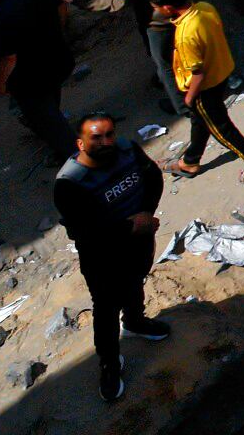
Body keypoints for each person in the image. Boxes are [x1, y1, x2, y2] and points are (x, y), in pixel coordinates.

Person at [54, 113, 170, 404]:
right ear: (80, 143)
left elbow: (153, 178)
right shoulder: (70, 183)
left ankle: (134, 321)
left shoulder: (128, 149)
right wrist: (132, 225)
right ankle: (109, 362)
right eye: (97, 137)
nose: (106, 142)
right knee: (105, 307)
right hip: (102, 254)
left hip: (138, 240)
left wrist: (145, 214)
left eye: (109, 135)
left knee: (136, 279)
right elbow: (85, 230)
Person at [157, 0, 244, 182]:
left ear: (168, 8)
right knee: (201, 121)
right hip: (220, 74)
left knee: (222, 130)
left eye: (157, 7)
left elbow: (198, 73)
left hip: (203, 89)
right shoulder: (205, 8)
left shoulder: (186, 34)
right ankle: (190, 162)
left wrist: (189, 98)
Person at [0, 0, 75, 161]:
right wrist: (59, 31)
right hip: (57, 58)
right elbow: (62, 6)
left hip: (31, 78)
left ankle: (76, 158)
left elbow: (8, 57)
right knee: (51, 105)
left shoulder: (1, 16)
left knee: (47, 119)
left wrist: (0, 85)